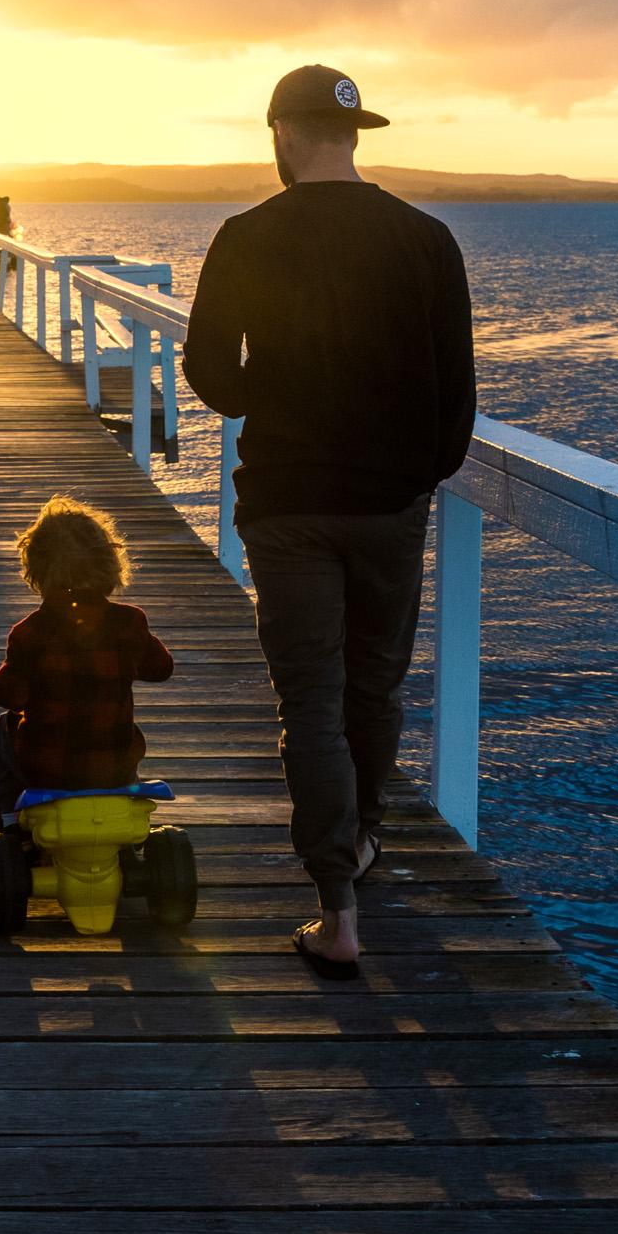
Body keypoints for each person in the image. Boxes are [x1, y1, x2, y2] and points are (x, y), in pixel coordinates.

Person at [183, 65, 474, 976]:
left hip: (289, 506)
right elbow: (456, 403)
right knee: (374, 690)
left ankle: (336, 909)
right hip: (391, 507)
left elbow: (207, 368)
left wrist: (259, 394)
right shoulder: (427, 240)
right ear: (352, 136)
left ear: (281, 132)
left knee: (309, 701)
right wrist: (412, 475)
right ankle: (367, 840)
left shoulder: (246, 235)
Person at [0, 497, 174, 811]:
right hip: (114, 770)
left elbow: (9, 697)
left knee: (3, 729)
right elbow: (161, 669)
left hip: (48, 770)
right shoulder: (129, 622)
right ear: (109, 563)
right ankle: (118, 803)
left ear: (36, 569)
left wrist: (0, 683)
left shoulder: (29, 632)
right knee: (117, 735)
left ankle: (8, 815)